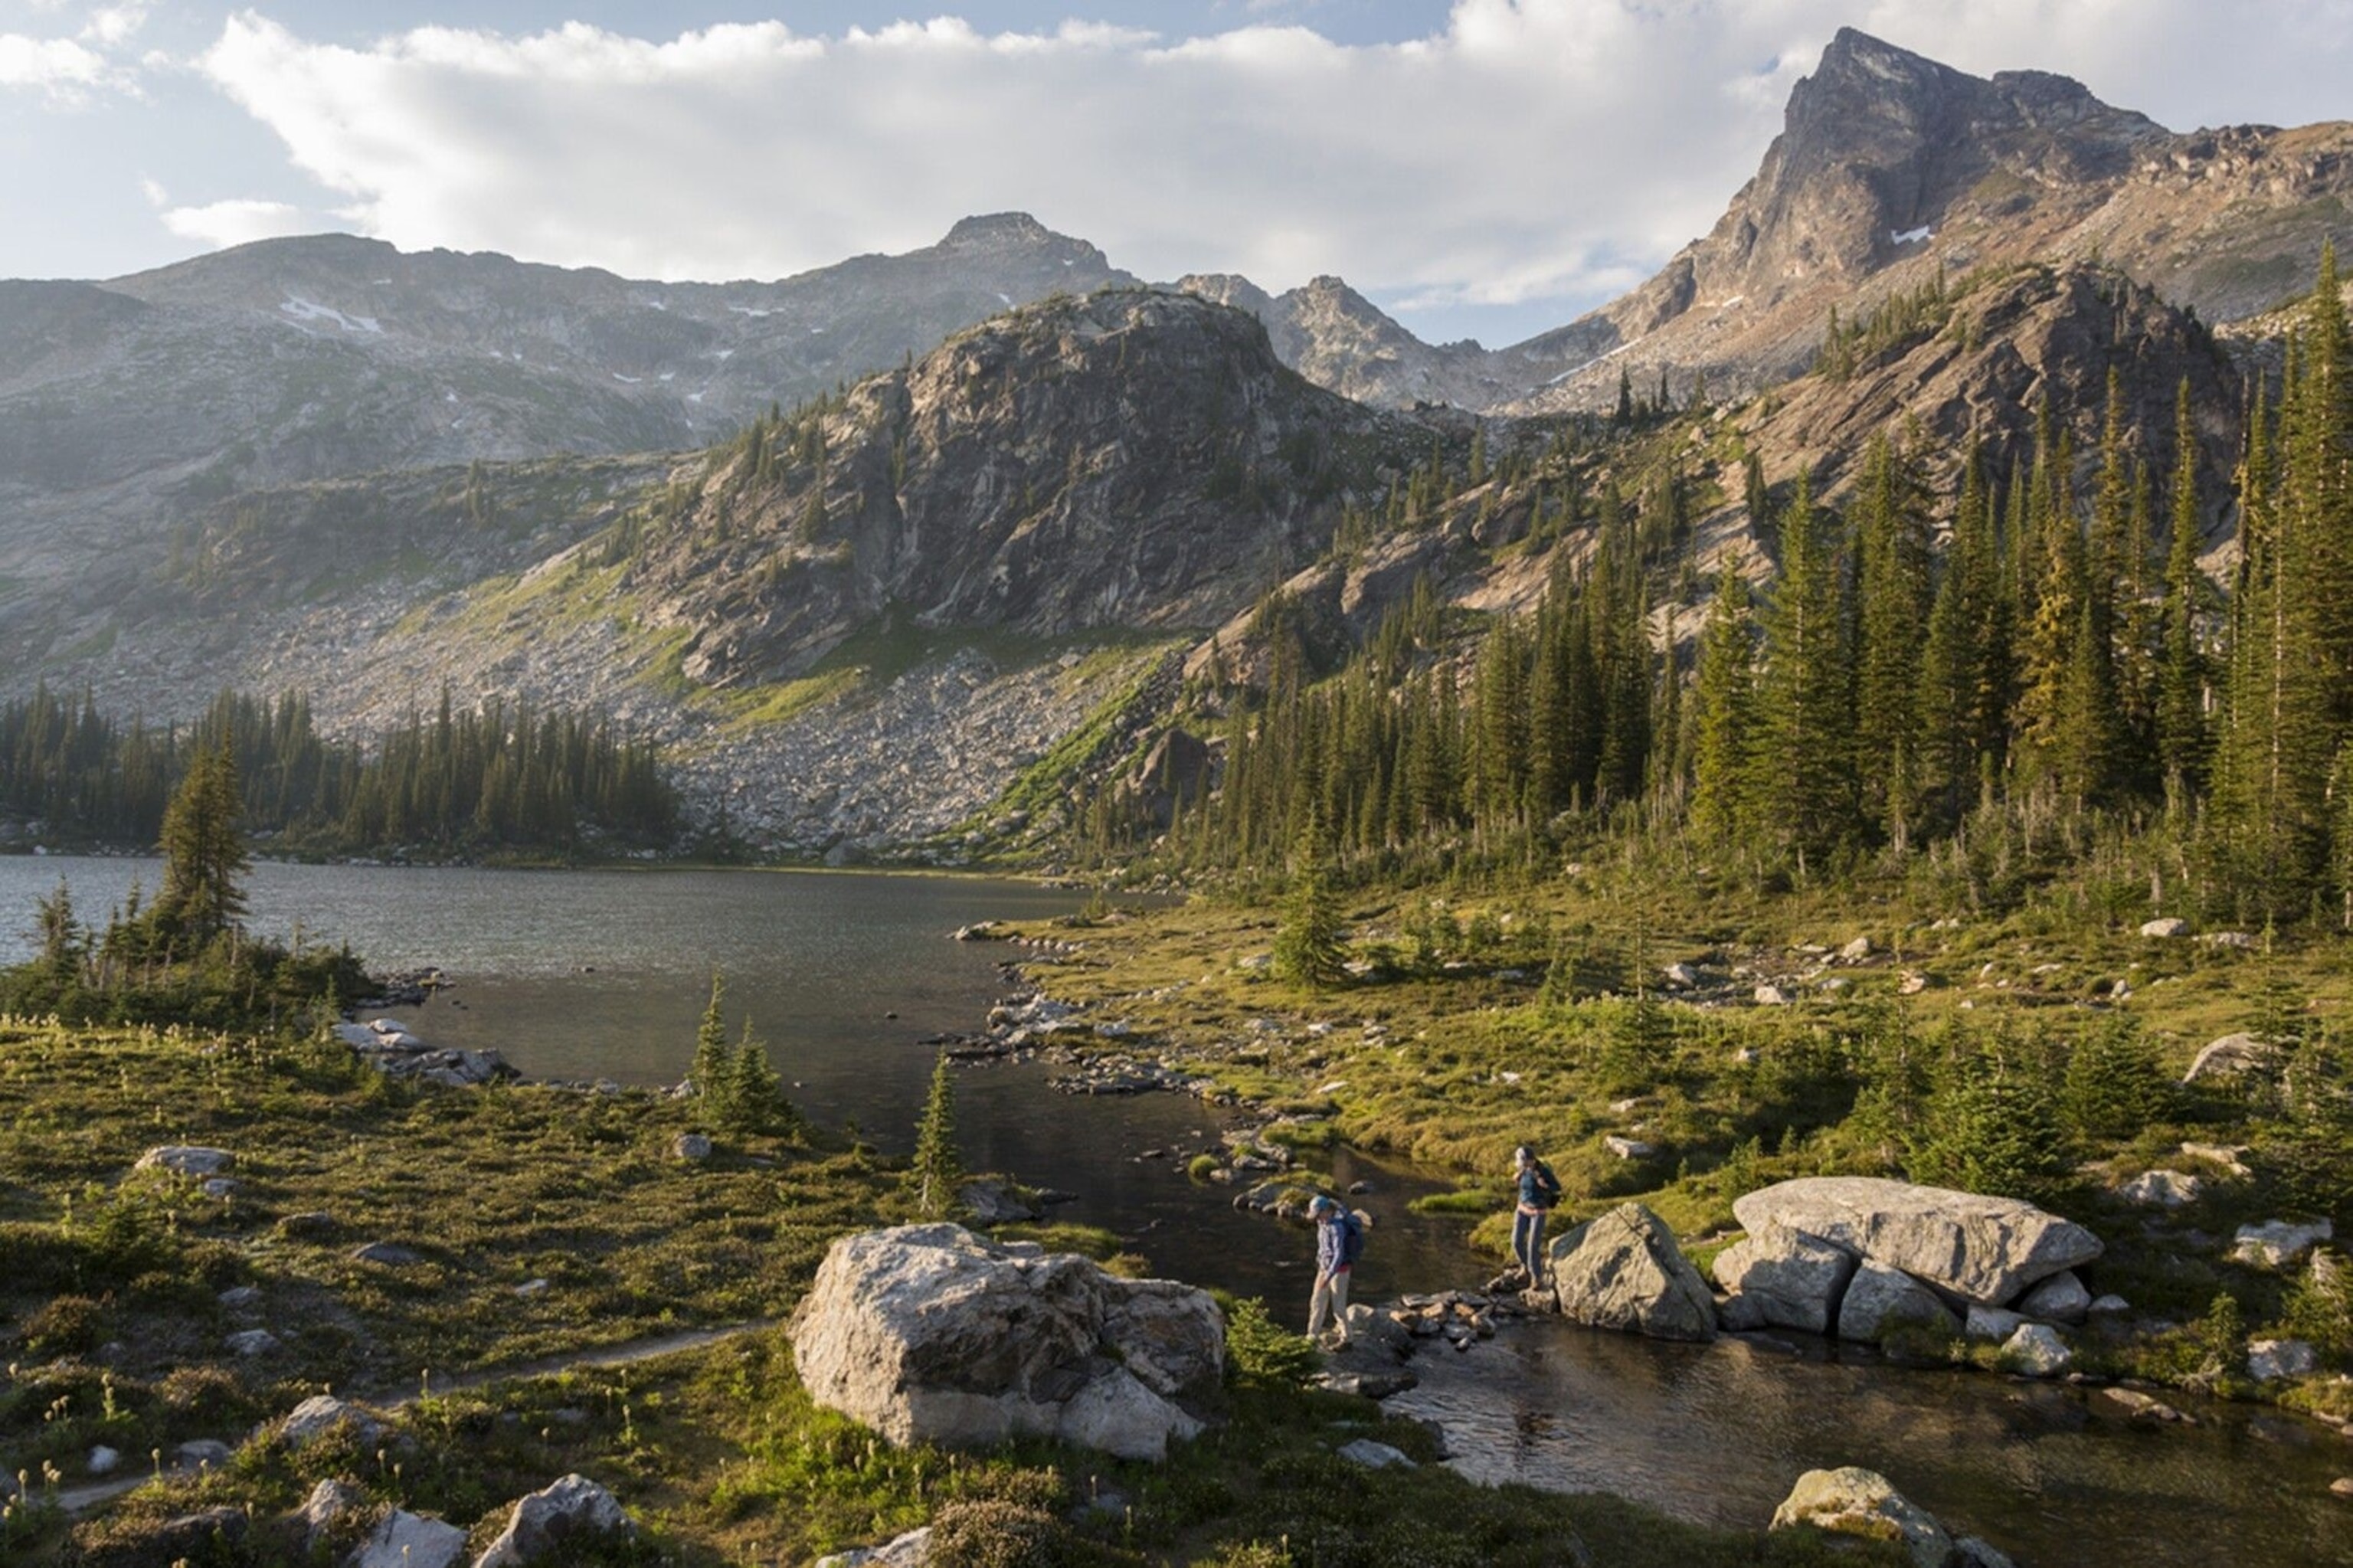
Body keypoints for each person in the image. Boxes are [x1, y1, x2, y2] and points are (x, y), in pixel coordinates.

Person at [1307, 1194, 1360, 1346]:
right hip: (1323, 1268)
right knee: (1316, 1302)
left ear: (1327, 1211)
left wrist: (1329, 1276)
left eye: (1319, 1214)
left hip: (1340, 1271)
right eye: (1315, 1216)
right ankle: (1312, 1335)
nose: (1317, 1218)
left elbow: (1338, 1254)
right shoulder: (1321, 1224)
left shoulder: (1337, 1227)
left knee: (1338, 1307)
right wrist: (1320, 1265)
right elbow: (1323, 1248)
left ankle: (1347, 1337)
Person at [1512, 1144, 1562, 1288]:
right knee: (1516, 1241)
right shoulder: (1523, 1169)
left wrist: (1545, 1185)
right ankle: (1525, 1267)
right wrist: (1517, 1178)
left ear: (1531, 1160)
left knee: (1533, 1245)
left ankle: (1536, 1277)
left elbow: (1557, 1188)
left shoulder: (1543, 1171)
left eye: (1523, 1162)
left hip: (1537, 1212)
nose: (1521, 1165)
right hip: (1522, 1208)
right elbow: (1523, 1183)